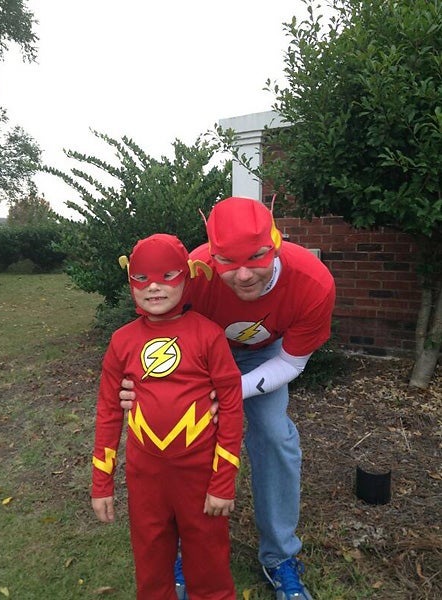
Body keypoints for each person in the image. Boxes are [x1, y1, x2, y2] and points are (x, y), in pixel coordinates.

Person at [119, 197, 336, 600]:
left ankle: (280, 555)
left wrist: (231, 391)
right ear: (212, 255)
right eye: (227, 262)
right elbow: (155, 330)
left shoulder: (313, 281)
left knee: (274, 435)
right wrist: (139, 383)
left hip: (268, 356)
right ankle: (186, 549)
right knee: (184, 437)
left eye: (256, 257)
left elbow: (292, 362)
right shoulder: (194, 272)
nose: (243, 275)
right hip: (197, 350)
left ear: (276, 242)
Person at [91, 233, 243, 600]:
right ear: (130, 282)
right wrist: (101, 483)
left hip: (199, 473)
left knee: (208, 561)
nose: (154, 286)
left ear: (186, 276)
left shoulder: (209, 335)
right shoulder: (122, 340)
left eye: (167, 276)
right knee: (150, 561)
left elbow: (231, 406)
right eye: (142, 278)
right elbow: (109, 411)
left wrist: (223, 483)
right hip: (145, 476)